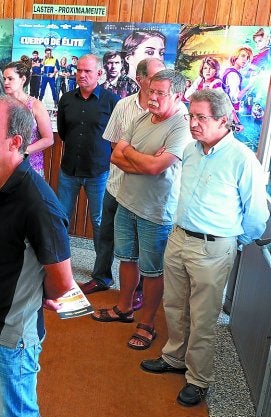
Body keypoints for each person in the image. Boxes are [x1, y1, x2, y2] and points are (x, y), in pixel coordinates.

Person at [140, 89, 269, 407]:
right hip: (179, 238)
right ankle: (174, 358)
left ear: (223, 120)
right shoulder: (191, 150)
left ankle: (198, 378)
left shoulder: (242, 159)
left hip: (213, 247)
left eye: (201, 117)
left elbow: (256, 215)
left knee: (203, 317)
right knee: (174, 306)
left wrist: (232, 242)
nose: (193, 123)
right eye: (191, 116)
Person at [0, 95, 77, 417]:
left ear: (15, 142)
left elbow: (62, 282)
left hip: (12, 333)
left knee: (16, 412)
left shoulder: (40, 204)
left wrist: (37, 295)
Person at [92, 69, 192, 351]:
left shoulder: (180, 126)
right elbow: (116, 156)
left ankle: (147, 324)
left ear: (177, 95)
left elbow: (156, 167)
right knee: (126, 259)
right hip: (127, 201)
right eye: (151, 92)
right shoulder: (140, 118)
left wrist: (134, 156)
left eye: (161, 93)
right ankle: (124, 308)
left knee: (152, 270)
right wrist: (143, 160)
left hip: (156, 211)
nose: (153, 98)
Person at [81, 58, 166, 304]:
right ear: (140, 80)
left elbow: (161, 159)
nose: (161, 82)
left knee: (139, 244)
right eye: (155, 77)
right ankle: (101, 277)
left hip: (145, 194)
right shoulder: (123, 105)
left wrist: (131, 155)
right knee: (105, 234)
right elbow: (113, 147)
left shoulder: (169, 112)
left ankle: (137, 290)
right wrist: (145, 163)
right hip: (116, 185)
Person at [56, 54, 119, 265]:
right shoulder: (66, 99)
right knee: (61, 218)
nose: (81, 75)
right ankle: (59, 265)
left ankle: (102, 272)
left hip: (99, 173)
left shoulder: (112, 101)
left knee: (100, 222)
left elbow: (118, 137)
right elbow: (63, 132)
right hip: (69, 171)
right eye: (79, 70)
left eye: (87, 71)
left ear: (99, 73)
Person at [3, 59, 53, 178]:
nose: (6, 82)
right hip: (5, 165)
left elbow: (48, 139)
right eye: (4, 79)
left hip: (31, 167)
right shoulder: (1, 104)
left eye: (10, 79)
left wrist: (22, 151)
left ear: (23, 79)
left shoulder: (35, 105)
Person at [222, 46, 253, 132]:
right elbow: (236, 98)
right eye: (243, 56)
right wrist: (249, 86)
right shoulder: (233, 75)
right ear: (236, 56)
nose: (245, 59)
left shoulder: (230, 71)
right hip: (229, 114)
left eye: (247, 57)